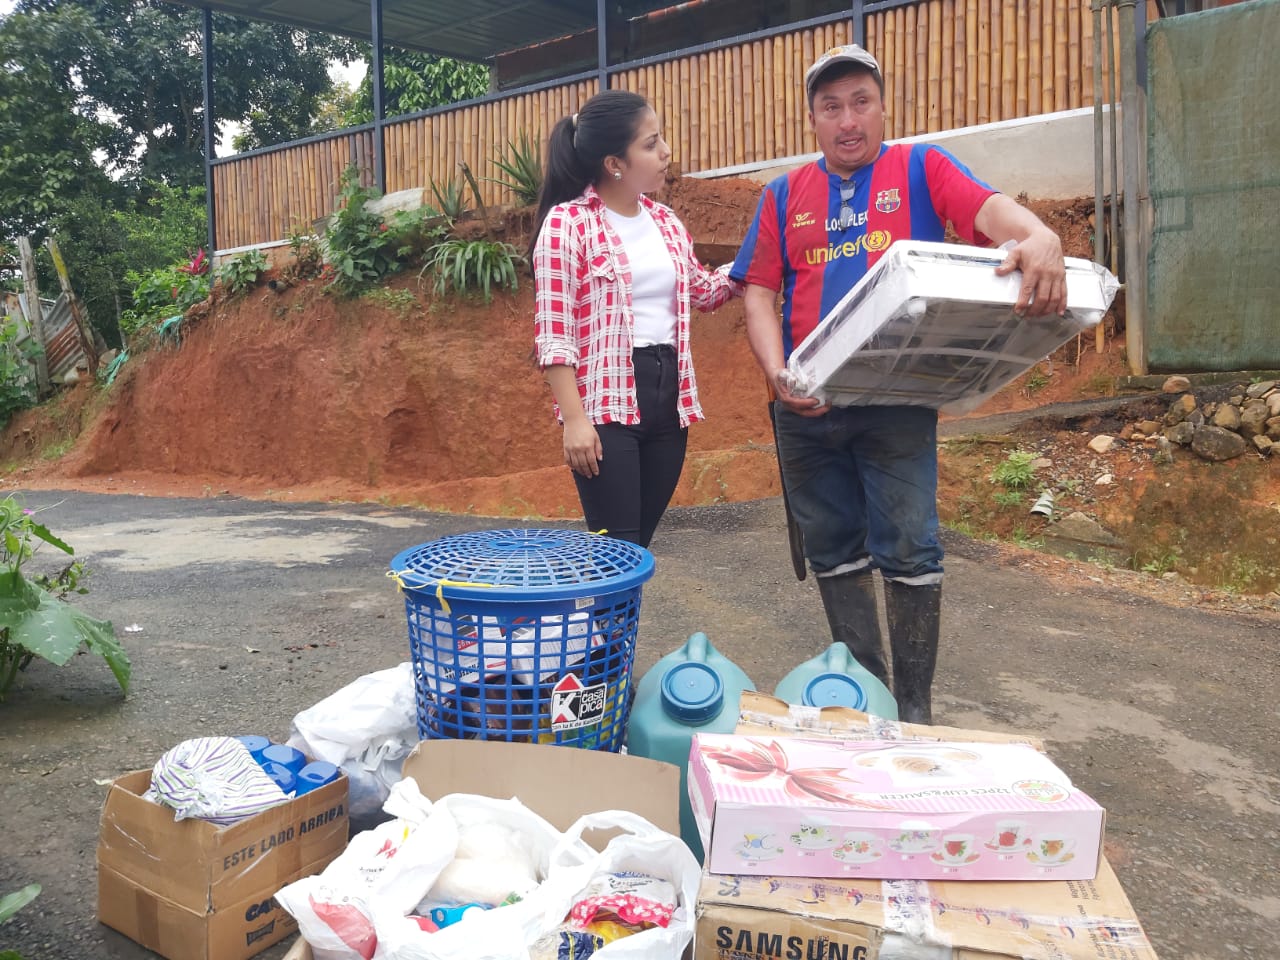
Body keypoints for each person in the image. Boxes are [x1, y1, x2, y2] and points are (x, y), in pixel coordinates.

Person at [730, 44, 1067, 724]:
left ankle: (914, 712)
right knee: (831, 549)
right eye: (831, 107)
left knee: (910, 547)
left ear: (883, 108)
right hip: (806, 409)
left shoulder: (921, 168)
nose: (847, 120)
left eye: (861, 102)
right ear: (813, 120)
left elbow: (991, 212)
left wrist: (1039, 236)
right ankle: (870, 703)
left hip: (897, 405)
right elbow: (759, 292)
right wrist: (775, 371)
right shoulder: (781, 196)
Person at [531, 89, 740, 548]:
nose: (666, 152)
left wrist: (751, 265)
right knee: (616, 551)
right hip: (607, 406)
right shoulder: (568, 224)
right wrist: (575, 422)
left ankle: (609, 602)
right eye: (650, 143)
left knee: (636, 547)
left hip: (669, 404)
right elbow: (554, 333)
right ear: (614, 163)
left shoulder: (666, 222)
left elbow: (703, 291)